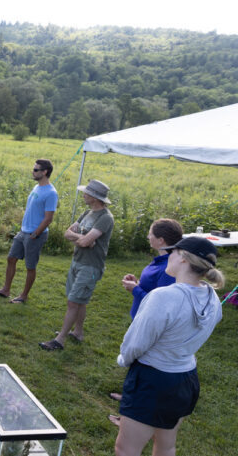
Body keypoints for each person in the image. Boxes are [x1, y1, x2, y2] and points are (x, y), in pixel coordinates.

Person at [114, 237, 223, 456]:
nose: (168, 257)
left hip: (152, 381)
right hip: (185, 380)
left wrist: (123, 360)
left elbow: (136, 343)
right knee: (166, 445)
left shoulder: (163, 297)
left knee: (125, 449)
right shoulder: (213, 299)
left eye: (172, 252)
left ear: (183, 258)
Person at [107, 218, 183, 412]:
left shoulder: (169, 267)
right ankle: (131, 394)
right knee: (139, 360)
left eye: (151, 233)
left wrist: (135, 290)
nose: (148, 236)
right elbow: (154, 290)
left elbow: (160, 302)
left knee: (144, 361)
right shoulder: (161, 260)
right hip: (142, 315)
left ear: (161, 240)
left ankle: (135, 405)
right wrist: (139, 284)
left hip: (150, 320)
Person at [40, 179, 114, 350]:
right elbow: (68, 234)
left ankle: (60, 340)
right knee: (79, 301)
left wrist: (84, 240)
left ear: (95, 197)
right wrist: (83, 239)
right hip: (78, 261)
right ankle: (78, 333)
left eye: (86, 193)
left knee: (73, 302)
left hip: (90, 266)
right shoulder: (87, 213)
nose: (84, 195)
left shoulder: (105, 218)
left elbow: (85, 241)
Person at [0, 160, 57, 302]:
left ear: (44, 172)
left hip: (35, 235)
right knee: (11, 259)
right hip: (23, 231)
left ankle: (24, 296)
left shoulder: (51, 193)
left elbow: (48, 218)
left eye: (36, 169)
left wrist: (36, 233)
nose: (33, 171)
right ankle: (6, 290)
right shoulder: (36, 187)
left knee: (30, 266)